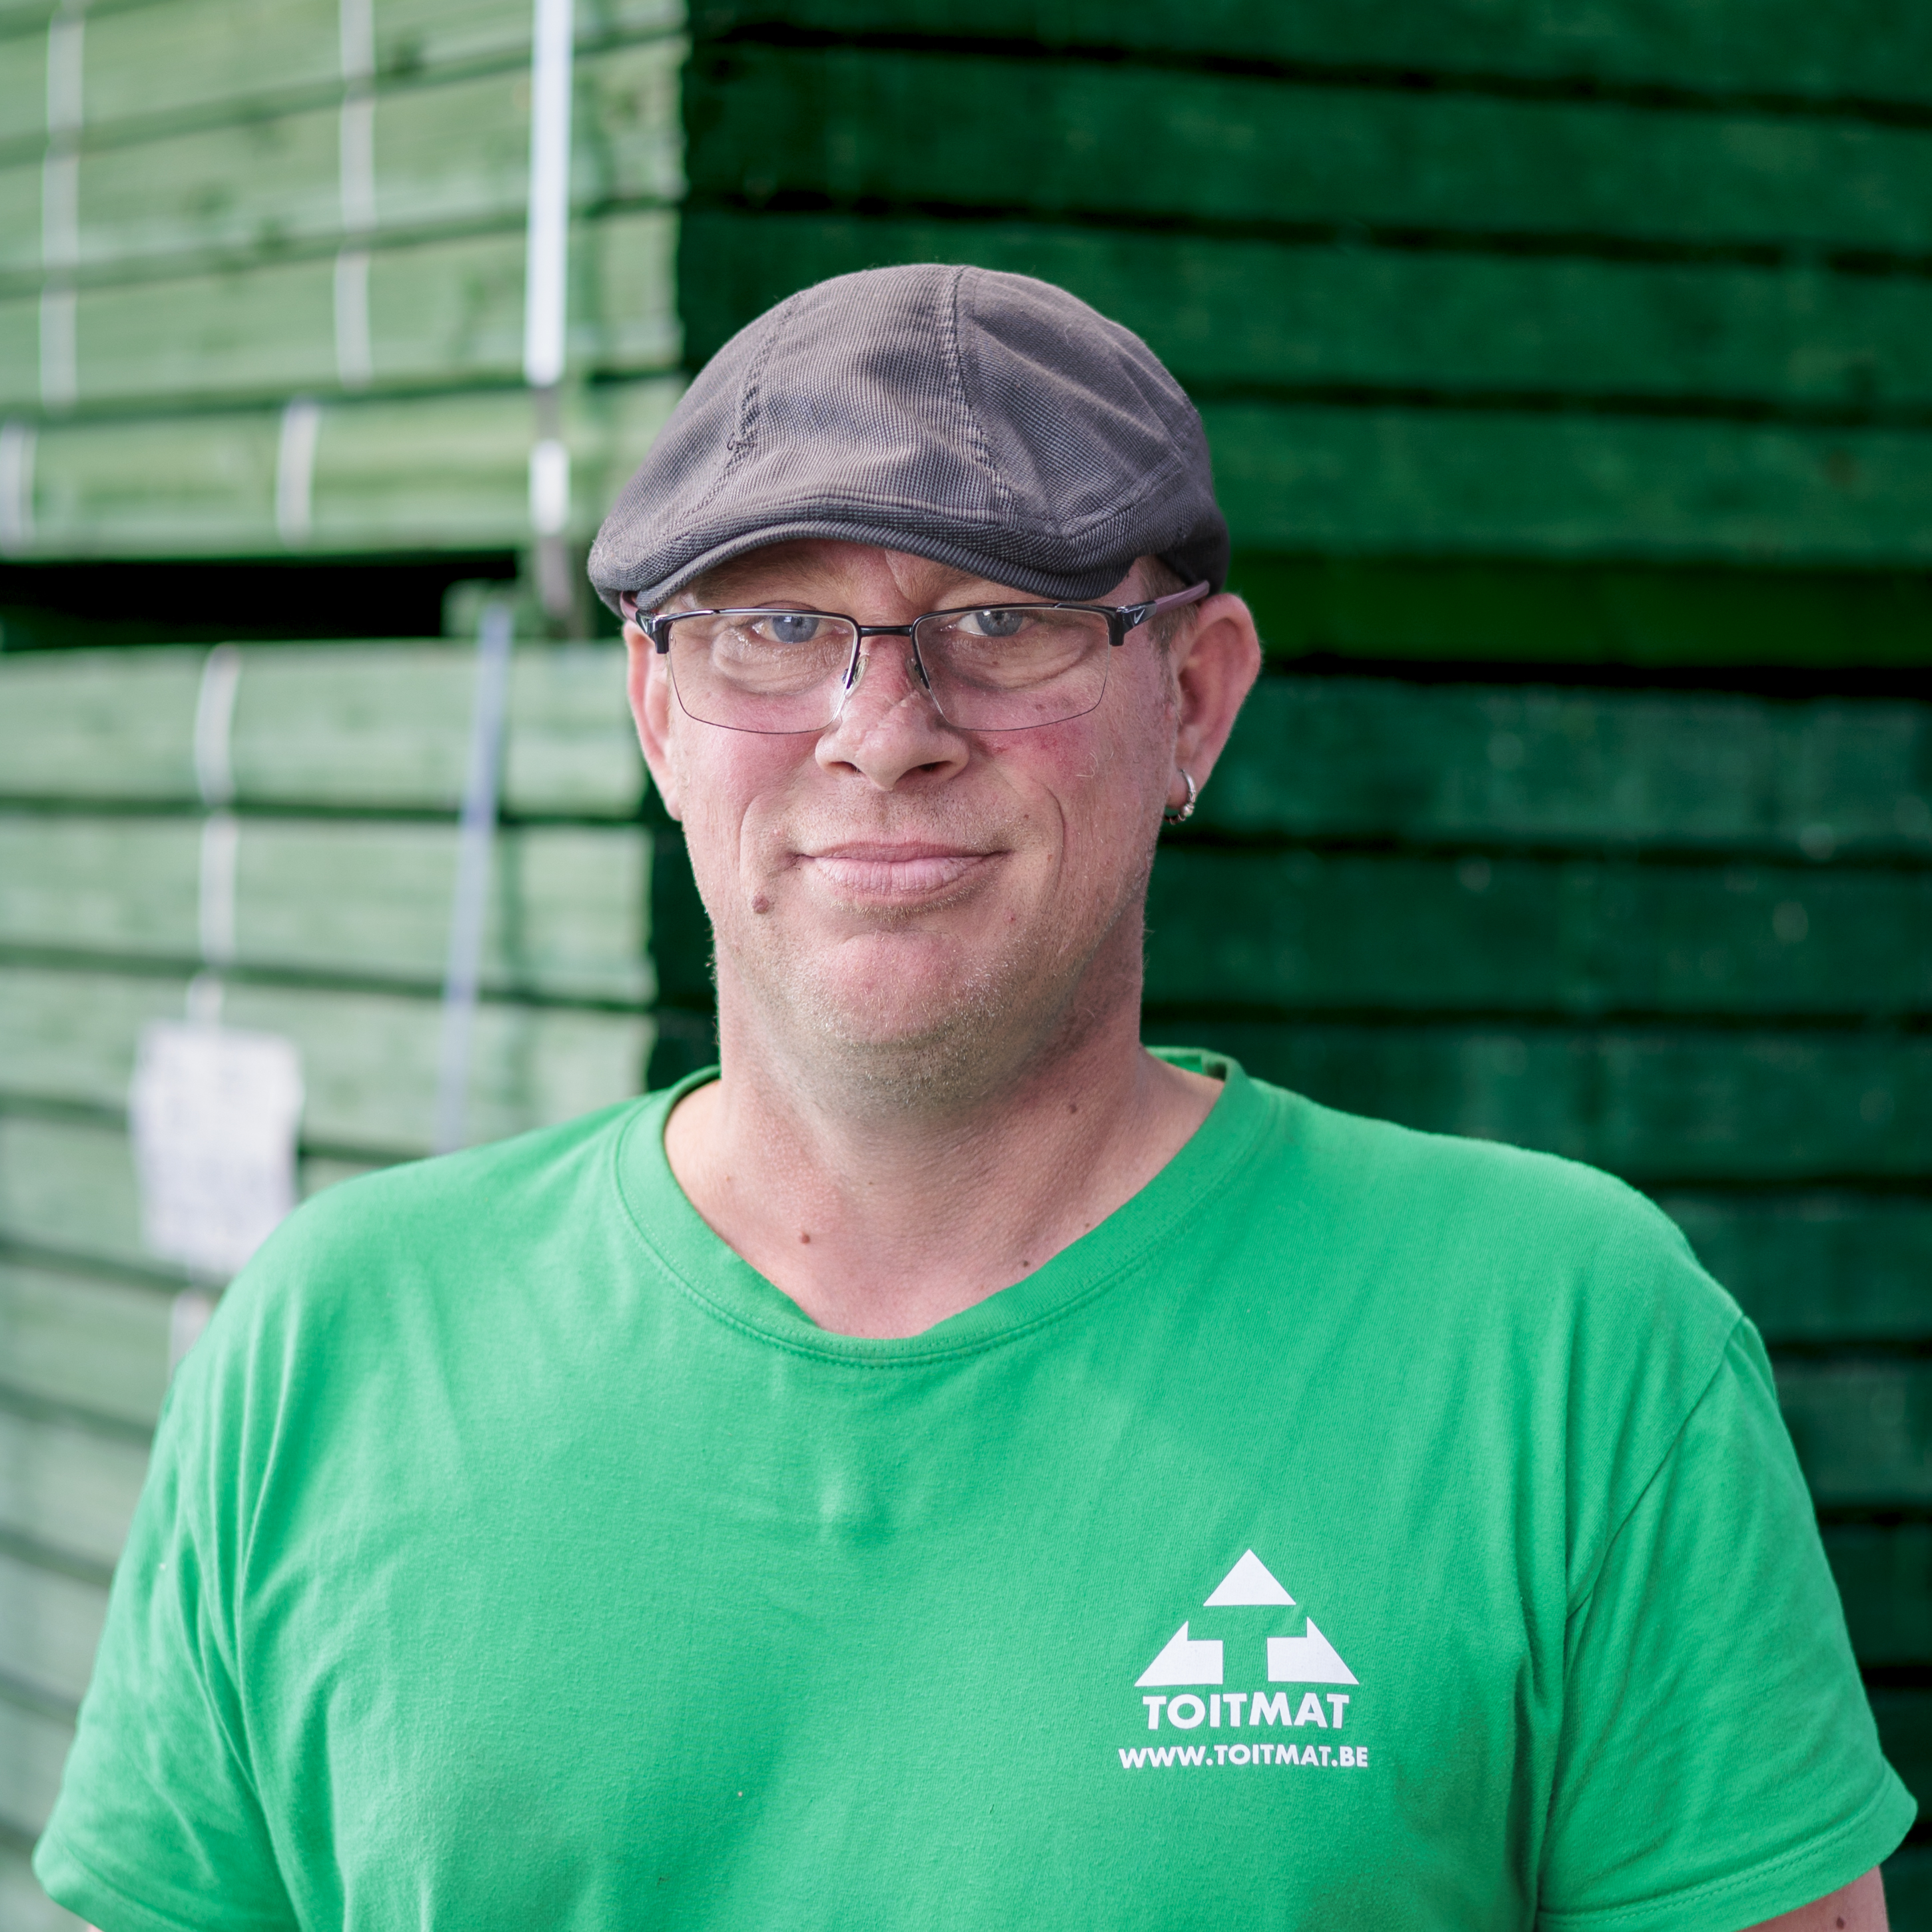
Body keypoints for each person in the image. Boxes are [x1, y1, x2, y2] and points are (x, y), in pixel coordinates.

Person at [37, 266, 1912, 1929]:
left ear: (1197, 697)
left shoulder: (1565, 1351)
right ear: (656, 709)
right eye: (775, 627)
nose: (884, 727)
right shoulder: (336, 1347)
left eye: (1007, 618)